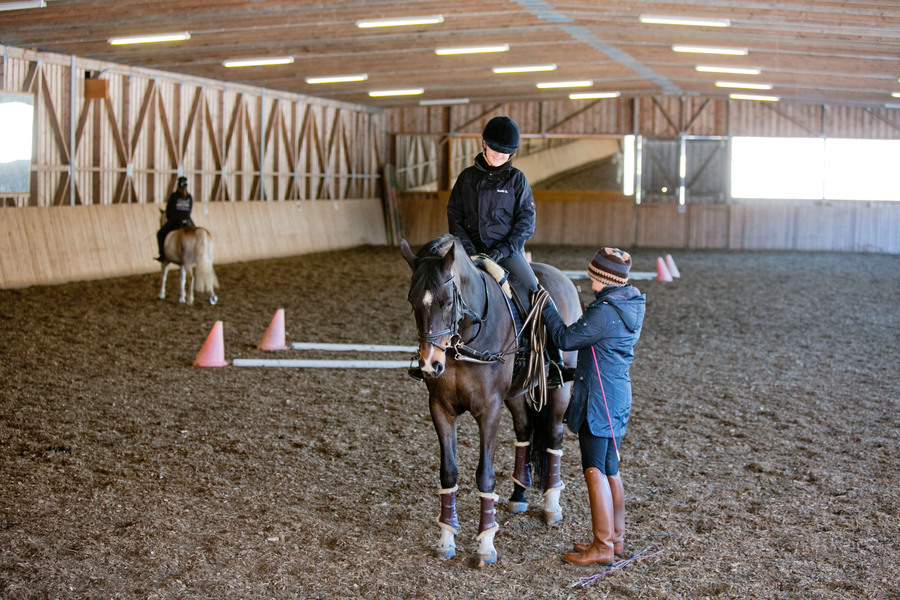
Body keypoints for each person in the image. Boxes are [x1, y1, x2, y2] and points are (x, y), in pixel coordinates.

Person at [540, 248, 646, 566]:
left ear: (604, 277)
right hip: (616, 396)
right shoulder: (628, 304)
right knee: (610, 469)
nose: (589, 279)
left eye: (593, 275)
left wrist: (547, 305)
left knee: (594, 469)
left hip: (597, 401)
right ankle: (614, 538)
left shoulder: (604, 313)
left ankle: (602, 546)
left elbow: (564, 338)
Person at [156, 176, 194, 262]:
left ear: (178, 185)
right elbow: (190, 210)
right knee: (195, 232)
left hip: (176, 220)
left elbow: (168, 210)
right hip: (188, 220)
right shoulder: (189, 197)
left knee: (160, 234)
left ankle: (162, 255)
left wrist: (170, 219)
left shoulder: (173, 196)